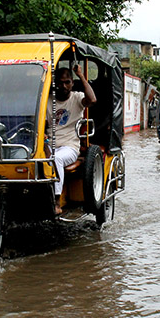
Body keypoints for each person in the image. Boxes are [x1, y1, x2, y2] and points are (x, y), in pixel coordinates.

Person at [47, 65, 97, 215]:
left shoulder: (77, 97)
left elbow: (92, 100)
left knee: (56, 159)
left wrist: (81, 75)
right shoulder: (47, 100)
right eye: (60, 82)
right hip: (48, 145)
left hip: (69, 147)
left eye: (67, 82)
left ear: (72, 83)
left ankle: (56, 201)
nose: (63, 86)